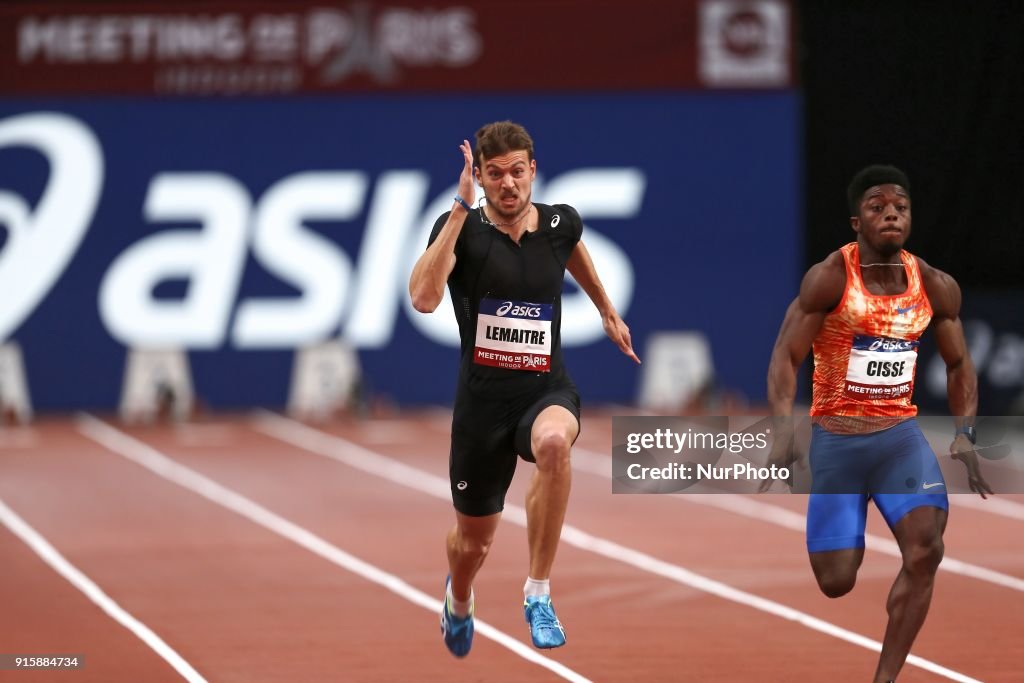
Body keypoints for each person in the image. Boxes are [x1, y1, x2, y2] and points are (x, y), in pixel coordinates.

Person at [409, 121, 640, 657]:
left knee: (556, 444)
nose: (508, 184)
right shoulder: (459, 226)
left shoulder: (560, 223)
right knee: (473, 543)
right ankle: (459, 596)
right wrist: (461, 209)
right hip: (482, 406)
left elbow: (573, 249)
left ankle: (538, 592)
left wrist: (607, 309)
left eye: (517, 172)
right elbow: (423, 297)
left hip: (544, 389)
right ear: (480, 178)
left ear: (533, 171)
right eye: (495, 175)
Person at [763, 164, 992, 682]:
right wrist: (783, 430)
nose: (891, 212)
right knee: (836, 580)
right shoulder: (829, 278)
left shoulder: (934, 285)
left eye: (901, 207)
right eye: (877, 206)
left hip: (899, 442)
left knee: (927, 548)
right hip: (838, 443)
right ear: (856, 222)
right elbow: (785, 356)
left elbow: (960, 364)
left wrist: (965, 433)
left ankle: (885, 678)